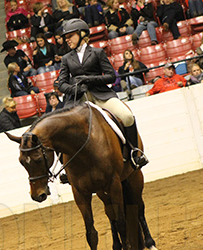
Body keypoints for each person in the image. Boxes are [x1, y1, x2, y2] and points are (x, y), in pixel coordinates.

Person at [58, 18, 148, 168]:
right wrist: (75, 89)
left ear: (82, 34)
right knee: (61, 127)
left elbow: (111, 76)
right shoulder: (66, 59)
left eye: (70, 36)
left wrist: (89, 79)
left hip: (101, 95)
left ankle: (135, 152)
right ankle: (65, 166)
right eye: (66, 37)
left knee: (126, 116)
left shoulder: (98, 53)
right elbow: (61, 84)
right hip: (78, 98)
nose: (67, 40)